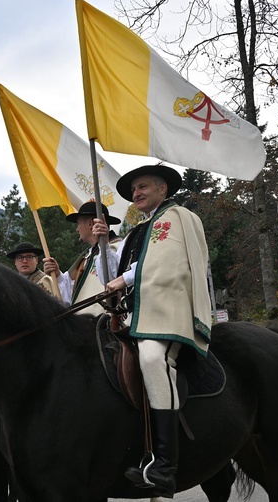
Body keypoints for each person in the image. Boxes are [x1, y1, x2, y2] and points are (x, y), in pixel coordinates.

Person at [91, 164, 212, 497]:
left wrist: (124, 279)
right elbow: (113, 274)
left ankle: (165, 465)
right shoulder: (137, 231)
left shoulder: (177, 218)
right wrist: (103, 243)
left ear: (163, 189)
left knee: (152, 358)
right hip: (135, 316)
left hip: (167, 314)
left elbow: (165, 265)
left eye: (143, 186)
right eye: (133, 190)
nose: (136, 193)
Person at [42, 201, 122, 315]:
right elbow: (75, 296)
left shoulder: (118, 248)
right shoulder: (88, 255)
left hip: (104, 325)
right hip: (84, 326)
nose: (77, 229)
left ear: (90, 224)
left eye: (78, 224)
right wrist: (58, 274)